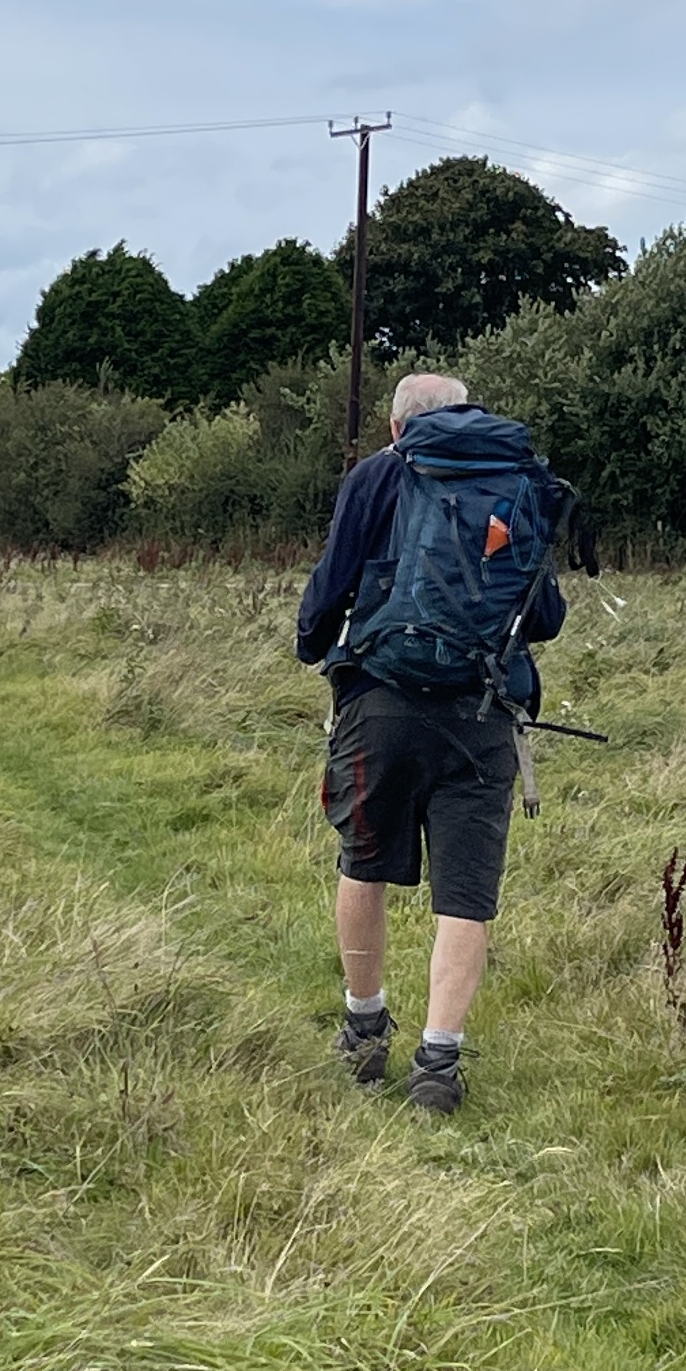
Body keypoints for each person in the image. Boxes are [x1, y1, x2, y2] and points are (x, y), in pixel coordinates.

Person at [295, 372, 566, 1116]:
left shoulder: (377, 476)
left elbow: (332, 581)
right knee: (466, 894)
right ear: (469, 415)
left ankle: (364, 1027)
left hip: (379, 701)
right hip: (483, 710)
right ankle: (438, 1063)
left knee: (363, 860)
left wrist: (312, 644)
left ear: (396, 427)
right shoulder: (515, 480)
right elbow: (544, 616)